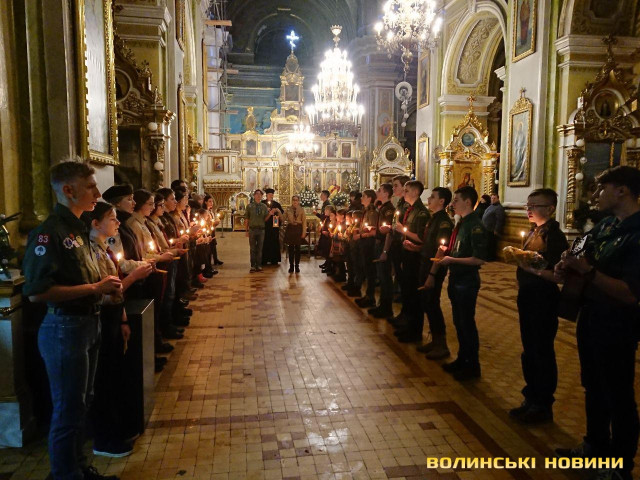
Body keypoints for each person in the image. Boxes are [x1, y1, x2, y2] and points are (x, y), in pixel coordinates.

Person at [22, 159, 122, 480]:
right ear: (68, 190)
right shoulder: (48, 234)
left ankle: (79, 467)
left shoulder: (79, 229)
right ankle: (65, 474)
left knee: (82, 403)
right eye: (90, 187)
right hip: (65, 327)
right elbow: (37, 292)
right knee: (67, 408)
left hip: (87, 323)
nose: (97, 193)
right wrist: (95, 288)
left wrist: (104, 289)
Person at [555, 166, 640, 480]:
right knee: (592, 385)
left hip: (618, 322)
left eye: (602, 188)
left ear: (622, 191)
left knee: (618, 393)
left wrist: (587, 271)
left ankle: (620, 466)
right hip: (591, 314)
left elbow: (630, 293)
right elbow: (581, 244)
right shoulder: (606, 223)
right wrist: (566, 260)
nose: (595, 195)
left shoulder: (637, 233)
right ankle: (594, 446)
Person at [88, 202, 152, 458]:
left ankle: (117, 427)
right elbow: (105, 292)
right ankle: (104, 439)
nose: (117, 222)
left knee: (114, 375)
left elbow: (115, 291)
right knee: (103, 379)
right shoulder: (91, 251)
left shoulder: (104, 248)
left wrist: (124, 318)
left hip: (114, 317)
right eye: (112, 218)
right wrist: (134, 278)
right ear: (95, 224)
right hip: (101, 320)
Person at [509, 188, 568, 425]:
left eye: (535, 206)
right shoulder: (534, 231)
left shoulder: (555, 237)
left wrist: (531, 270)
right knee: (529, 350)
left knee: (541, 351)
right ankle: (531, 396)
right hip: (528, 296)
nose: (529, 209)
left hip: (543, 299)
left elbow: (558, 275)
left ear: (550, 209)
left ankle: (542, 404)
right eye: (528, 205)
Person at [435, 186, 488, 381]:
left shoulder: (475, 226)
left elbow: (479, 259)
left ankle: (472, 366)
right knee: (458, 322)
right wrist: (447, 252)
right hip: (456, 278)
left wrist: (452, 260)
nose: (452, 204)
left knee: (467, 323)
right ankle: (462, 359)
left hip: (467, 281)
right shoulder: (461, 223)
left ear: (467, 202)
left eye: (456, 200)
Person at [415, 187, 454, 359]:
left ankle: (441, 344)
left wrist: (432, 275)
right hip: (425, 263)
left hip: (434, 267)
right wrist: (416, 247)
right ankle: (435, 341)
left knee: (432, 303)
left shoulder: (444, 222)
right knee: (426, 303)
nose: (429, 199)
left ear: (442, 201)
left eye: (432, 197)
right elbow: (429, 244)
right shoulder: (433, 219)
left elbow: (441, 249)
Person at [391, 180, 430, 343]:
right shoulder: (410, 209)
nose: (404, 193)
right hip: (405, 254)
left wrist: (402, 230)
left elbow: (421, 238)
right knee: (407, 292)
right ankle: (407, 324)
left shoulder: (421, 213)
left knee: (414, 295)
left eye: (406, 190)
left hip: (415, 257)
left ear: (415, 192)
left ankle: (415, 331)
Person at [368, 183, 395, 318]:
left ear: (385, 193)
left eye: (379, 190)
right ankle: (382, 305)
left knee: (385, 278)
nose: (377, 192)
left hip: (384, 244)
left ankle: (386, 308)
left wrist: (385, 251)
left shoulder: (388, 209)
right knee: (381, 276)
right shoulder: (382, 207)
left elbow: (389, 231)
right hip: (379, 243)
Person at [355, 190, 379, 309]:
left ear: (369, 198)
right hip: (365, 243)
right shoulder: (366, 210)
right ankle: (368, 296)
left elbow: (373, 230)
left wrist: (361, 235)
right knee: (367, 270)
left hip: (369, 244)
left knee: (370, 272)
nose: (361, 198)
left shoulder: (372, 212)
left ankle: (371, 298)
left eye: (363, 196)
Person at [245, 189, 269, 272]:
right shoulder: (249, 206)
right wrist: (246, 230)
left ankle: (258, 265)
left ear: (262, 196)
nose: (259, 196)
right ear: (254, 196)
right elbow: (247, 219)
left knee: (259, 248)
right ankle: (252, 266)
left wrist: (270, 214)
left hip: (261, 230)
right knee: (252, 249)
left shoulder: (264, 206)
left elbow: (265, 219)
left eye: (260, 194)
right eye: (257, 194)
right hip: (252, 229)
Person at [284, 195, 307, 273]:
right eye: (293, 200)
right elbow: (283, 218)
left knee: (298, 248)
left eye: (296, 200)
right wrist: (279, 212)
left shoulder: (301, 210)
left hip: (298, 229)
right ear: (292, 201)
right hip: (291, 229)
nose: (295, 201)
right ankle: (291, 266)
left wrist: (304, 233)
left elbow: (304, 222)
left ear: (298, 201)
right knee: (290, 248)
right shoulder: (288, 209)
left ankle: (297, 265)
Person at [262, 188, 284, 265]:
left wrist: (277, 210)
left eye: (272, 195)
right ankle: (264, 259)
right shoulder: (262, 203)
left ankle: (274, 259)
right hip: (265, 226)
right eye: (269, 194)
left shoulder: (277, 204)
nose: (270, 196)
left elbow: (281, 214)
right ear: (266, 195)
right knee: (265, 241)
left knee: (274, 241)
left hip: (275, 225)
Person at [482, 193, 505, 261]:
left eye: (494, 198)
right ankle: (486, 256)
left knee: (491, 244)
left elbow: (500, 220)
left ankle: (490, 258)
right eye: (492, 198)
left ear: (498, 199)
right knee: (487, 244)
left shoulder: (499, 208)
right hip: (486, 228)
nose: (493, 199)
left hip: (492, 229)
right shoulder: (490, 206)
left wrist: (497, 230)